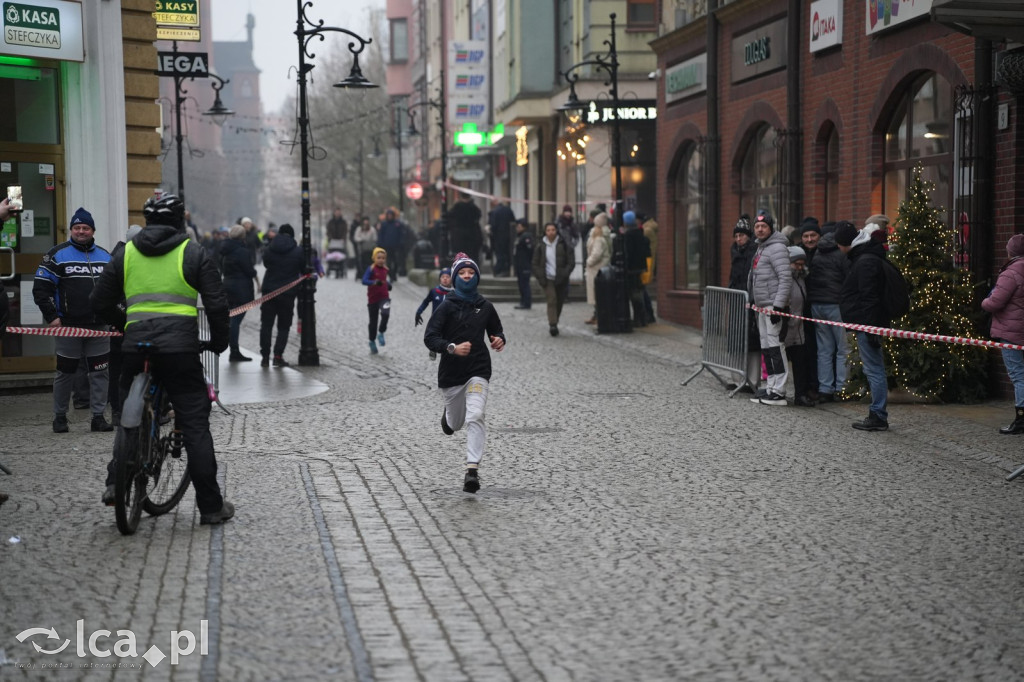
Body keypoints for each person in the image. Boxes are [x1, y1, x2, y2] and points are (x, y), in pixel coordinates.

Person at [91, 193, 234, 524]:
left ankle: (116, 482)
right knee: (195, 424)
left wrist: (123, 323)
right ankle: (211, 508)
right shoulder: (193, 253)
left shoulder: (125, 254)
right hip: (180, 350)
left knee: (127, 415)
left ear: (147, 219)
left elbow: (97, 301)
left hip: (134, 347)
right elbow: (216, 305)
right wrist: (218, 342)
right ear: (180, 218)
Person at [423, 253, 506, 493]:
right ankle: (448, 419)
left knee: (476, 414)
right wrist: (452, 348)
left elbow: (497, 331)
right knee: (456, 423)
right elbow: (430, 338)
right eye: (462, 273)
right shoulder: (446, 306)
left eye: (471, 273)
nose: (467, 276)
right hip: (451, 375)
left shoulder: (485, 306)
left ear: (477, 277)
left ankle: (472, 471)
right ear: (456, 277)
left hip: (478, 369)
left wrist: (499, 339)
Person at [33, 207, 114, 433]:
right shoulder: (57, 255)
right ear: (71, 230)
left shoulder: (106, 256)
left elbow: (118, 290)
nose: (81, 231)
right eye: (77, 228)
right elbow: (41, 289)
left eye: (85, 228)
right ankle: (59, 417)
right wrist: (52, 317)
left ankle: (98, 417)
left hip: (99, 327)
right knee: (65, 373)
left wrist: (115, 316)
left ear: (92, 230)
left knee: (100, 373)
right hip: (67, 326)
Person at [836, 220, 890, 431]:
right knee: (873, 368)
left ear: (846, 243)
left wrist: (870, 329)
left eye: (839, 245)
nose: (839, 249)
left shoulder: (865, 260)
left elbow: (870, 297)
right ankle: (877, 413)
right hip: (865, 323)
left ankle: (878, 415)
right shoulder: (862, 256)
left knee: (874, 369)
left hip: (867, 325)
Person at [747, 210, 791, 406]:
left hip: (773, 306)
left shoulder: (777, 248)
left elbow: (785, 278)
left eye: (763, 226)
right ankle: (772, 386)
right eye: (756, 226)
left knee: (775, 347)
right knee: (767, 347)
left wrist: (779, 306)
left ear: (771, 228)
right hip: (762, 306)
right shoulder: (761, 248)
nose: (759, 229)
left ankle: (779, 390)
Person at [982, 233, 1024, 434]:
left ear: (1011, 251)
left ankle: (1021, 419)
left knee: (1018, 376)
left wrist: (984, 301)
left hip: (1012, 331)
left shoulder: (1011, 272)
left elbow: (995, 302)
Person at [806, 222, 851, 401]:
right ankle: (842, 387)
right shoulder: (841, 253)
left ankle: (825, 388)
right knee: (843, 349)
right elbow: (848, 278)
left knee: (824, 349)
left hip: (818, 305)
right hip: (836, 304)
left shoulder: (817, 252)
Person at [259, 223, 304, 367]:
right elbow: (303, 268)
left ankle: (265, 357)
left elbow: (266, 264)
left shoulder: (269, 249)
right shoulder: (298, 251)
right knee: (284, 326)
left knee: (266, 324)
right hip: (288, 293)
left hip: (269, 291)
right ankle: (278, 355)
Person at [727, 215, 760, 393]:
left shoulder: (754, 251)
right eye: (737, 236)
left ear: (749, 236)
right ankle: (737, 377)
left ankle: (753, 380)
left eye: (742, 235)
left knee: (753, 342)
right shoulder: (735, 251)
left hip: (750, 301)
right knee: (735, 341)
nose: (739, 239)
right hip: (737, 300)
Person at [220, 224, 259, 362]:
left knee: (233, 318)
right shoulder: (242, 251)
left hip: (228, 286)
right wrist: (254, 273)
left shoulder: (225, 249)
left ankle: (234, 349)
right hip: (240, 288)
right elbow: (248, 270)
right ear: (243, 236)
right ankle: (234, 350)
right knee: (235, 320)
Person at [784, 246, 815, 407]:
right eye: (796, 264)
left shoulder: (802, 278)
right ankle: (778, 392)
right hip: (786, 327)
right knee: (782, 361)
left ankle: (800, 394)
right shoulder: (785, 279)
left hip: (799, 327)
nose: (800, 267)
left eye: (802, 264)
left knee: (800, 362)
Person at [532, 221, 573, 336]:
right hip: (547, 278)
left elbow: (570, 261)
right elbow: (535, 263)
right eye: (548, 230)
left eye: (553, 230)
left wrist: (565, 273)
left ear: (556, 231)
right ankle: (553, 325)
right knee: (552, 299)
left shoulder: (563, 243)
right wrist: (540, 276)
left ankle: (555, 320)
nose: (551, 232)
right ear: (545, 232)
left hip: (561, 278)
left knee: (559, 301)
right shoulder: (541, 245)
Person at [415, 267, 453, 360]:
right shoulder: (434, 291)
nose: (445, 279)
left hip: (449, 321)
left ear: (451, 279)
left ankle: (447, 354)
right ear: (440, 278)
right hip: (436, 320)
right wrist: (419, 312)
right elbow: (426, 302)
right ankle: (433, 349)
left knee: (447, 338)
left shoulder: (454, 293)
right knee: (435, 336)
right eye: (443, 277)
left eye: (447, 277)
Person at [621, 211, 650, 328]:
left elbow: (628, 253)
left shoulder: (629, 235)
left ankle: (639, 318)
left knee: (634, 294)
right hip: (640, 267)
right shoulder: (640, 233)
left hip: (632, 269)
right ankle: (643, 318)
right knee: (639, 292)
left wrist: (626, 266)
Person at [362, 247, 392, 354]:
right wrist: (374, 282)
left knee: (386, 314)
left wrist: (388, 285)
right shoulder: (371, 269)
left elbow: (384, 280)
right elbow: (364, 280)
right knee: (373, 322)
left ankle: (381, 332)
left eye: (383, 258)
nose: (381, 260)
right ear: (374, 258)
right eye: (378, 258)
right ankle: (372, 340)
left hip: (384, 297)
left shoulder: (385, 269)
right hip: (373, 299)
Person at [584, 212, 611, 325]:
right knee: (598, 294)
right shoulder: (601, 235)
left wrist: (588, 262)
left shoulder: (599, 238)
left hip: (596, 269)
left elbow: (596, 254)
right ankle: (597, 315)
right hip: (597, 268)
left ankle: (600, 316)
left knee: (598, 294)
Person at [448, 193, 483, 262]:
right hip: (472, 234)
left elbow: (449, 216)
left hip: (459, 235)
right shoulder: (473, 207)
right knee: (472, 255)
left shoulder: (457, 207)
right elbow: (478, 216)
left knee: (460, 255)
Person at [488, 201, 516, 276]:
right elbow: (513, 221)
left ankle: (498, 270)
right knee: (507, 253)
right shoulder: (508, 210)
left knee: (500, 254)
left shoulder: (494, 212)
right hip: (508, 235)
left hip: (498, 236)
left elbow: (493, 225)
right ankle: (507, 270)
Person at [376, 208, 404, 282]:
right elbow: (381, 235)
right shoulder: (384, 224)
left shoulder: (397, 224)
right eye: (388, 215)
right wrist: (380, 244)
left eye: (391, 215)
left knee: (396, 261)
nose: (389, 216)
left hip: (396, 246)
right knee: (388, 262)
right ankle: (391, 275)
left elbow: (401, 234)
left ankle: (394, 273)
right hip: (386, 246)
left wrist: (401, 243)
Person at [513, 219, 534, 310]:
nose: (517, 228)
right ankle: (523, 301)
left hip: (524, 264)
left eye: (519, 227)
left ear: (524, 227)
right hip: (519, 264)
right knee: (521, 284)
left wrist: (527, 262)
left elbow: (530, 250)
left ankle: (526, 302)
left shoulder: (526, 236)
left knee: (525, 284)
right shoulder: (519, 236)